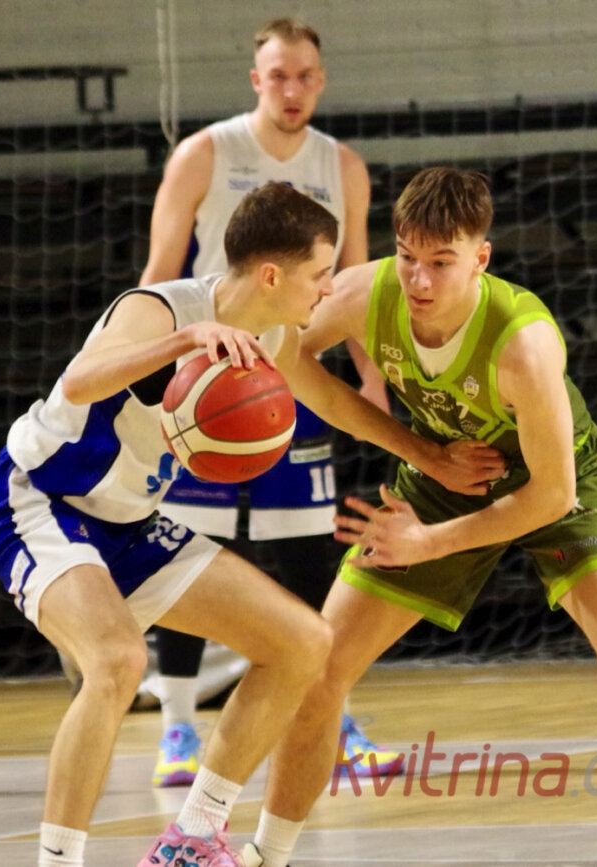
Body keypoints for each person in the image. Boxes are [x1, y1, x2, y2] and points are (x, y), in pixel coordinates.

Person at [0, 181, 504, 867]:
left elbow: (332, 401)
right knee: (118, 660)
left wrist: (428, 456)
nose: (328, 289)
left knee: (303, 642)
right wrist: (186, 340)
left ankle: (193, 838)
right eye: (320, 273)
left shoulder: (274, 334)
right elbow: (80, 381)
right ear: (272, 275)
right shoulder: (158, 308)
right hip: (41, 501)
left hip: (129, 523)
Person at [250, 167, 597, 867]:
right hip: (445, 473)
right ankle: (266, 853)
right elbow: (282, 353)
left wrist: (426, 542)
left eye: (441, 262)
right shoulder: (363, 293)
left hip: (551, 483)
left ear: (481, 257)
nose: (419, 279)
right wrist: (420, 453)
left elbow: (552, 496)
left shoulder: (523, 343)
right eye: (408, 256)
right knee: (319, 669)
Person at [139, 16, 400, 789]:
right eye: (278, 75)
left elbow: (351, 287)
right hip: (209, 375)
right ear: (257, 80)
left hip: (295, 368)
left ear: (322, 81)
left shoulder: (342, 166)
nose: (293, 88)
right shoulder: (204, 153)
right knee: (189, 549)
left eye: (305, 75)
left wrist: (373, 378)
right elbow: (158, 273)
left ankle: (333, 718)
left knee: (308, 551)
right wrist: (154, 376)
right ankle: (177, 724)